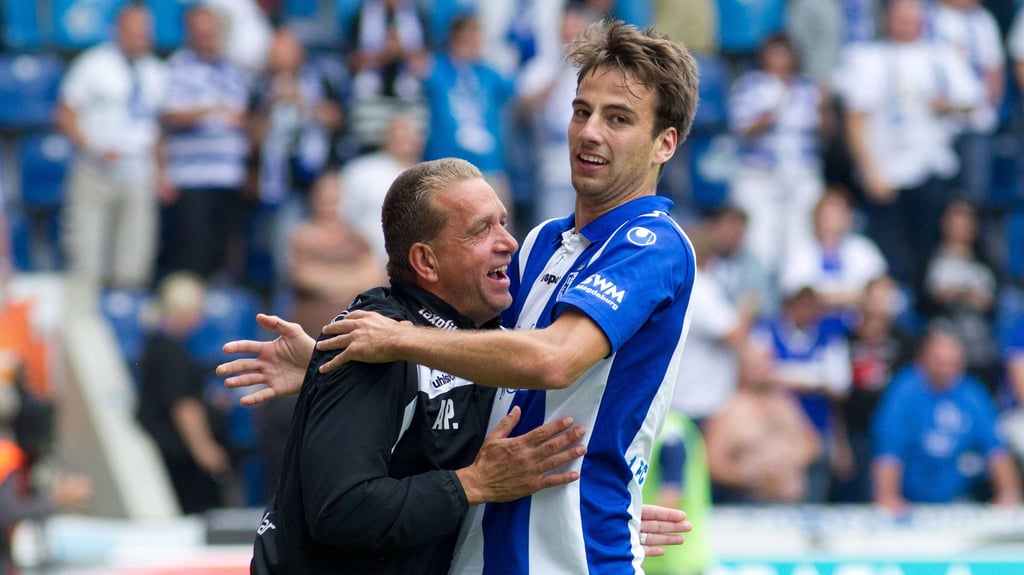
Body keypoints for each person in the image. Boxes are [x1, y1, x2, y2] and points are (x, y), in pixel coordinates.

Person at [223, 20, 698, 573]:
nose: (589, 131)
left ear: (665, 143)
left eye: (618, 119)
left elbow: (553, 359)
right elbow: (471, 372)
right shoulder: (545, 241)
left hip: (577, 559)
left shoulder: (653, 245)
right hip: (478, 553)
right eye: (580, 111)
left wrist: (396, 342)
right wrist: (337, 368)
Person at [835, 0, 982, 284]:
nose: (908, 20)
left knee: (928, 253)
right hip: (887, 172)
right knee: (890, 254)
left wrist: (947, 106)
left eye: (913, 14)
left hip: (931, 170)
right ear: (887, 18)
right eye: (901, 14)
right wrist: (870, 170)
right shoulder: (867, 58)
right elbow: (855, 121)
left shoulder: (940, 56)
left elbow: (973, 102)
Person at [55, 2, 166, 290]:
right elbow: (66, 114)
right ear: (118, 30)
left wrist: (161, 171)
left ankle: (124, 323)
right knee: (86, 261)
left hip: (138, 174)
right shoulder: (92, 64)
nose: (141, 37)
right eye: (135, 31)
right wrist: (93, 147)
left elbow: (156, 129)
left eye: (145, 31)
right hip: (96, 172)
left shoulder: (155, 71)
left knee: (133, 264)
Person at [872, 328, 1022, 510]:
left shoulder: (972, 393)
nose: (946, 369)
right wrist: (888, 497)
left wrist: (1008, 493)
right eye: (939, 362)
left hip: (959, 499)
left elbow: (997, 450)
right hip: (909, 500)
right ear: (922, 360)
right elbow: (889, 453)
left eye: (953, 363)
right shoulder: (904, 393)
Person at [160, 4, 251, 280]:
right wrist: (213, 110)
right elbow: (169, 114)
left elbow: (244, 118)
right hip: (192, 179)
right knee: (193, 258)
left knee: (224, 258)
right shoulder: (176, 67)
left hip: (228, 178)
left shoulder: (234, 71)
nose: (206, 37)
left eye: (210, 31)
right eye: (199, 32)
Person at [136, 271, 232, 515]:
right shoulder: (170, 351)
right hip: (180, 458)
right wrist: (204, 449)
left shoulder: (159, 343)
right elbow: (183, 405)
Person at [703, 341, 821, 503]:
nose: (762, 370)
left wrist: (794, 456)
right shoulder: (728, 411)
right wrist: (748, 477)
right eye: (755, 365)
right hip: (749, 503)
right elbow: (712, 463)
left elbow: (812, 442)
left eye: (766, 363)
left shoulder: (785, 403)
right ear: (741, 369)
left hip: (793, 503)